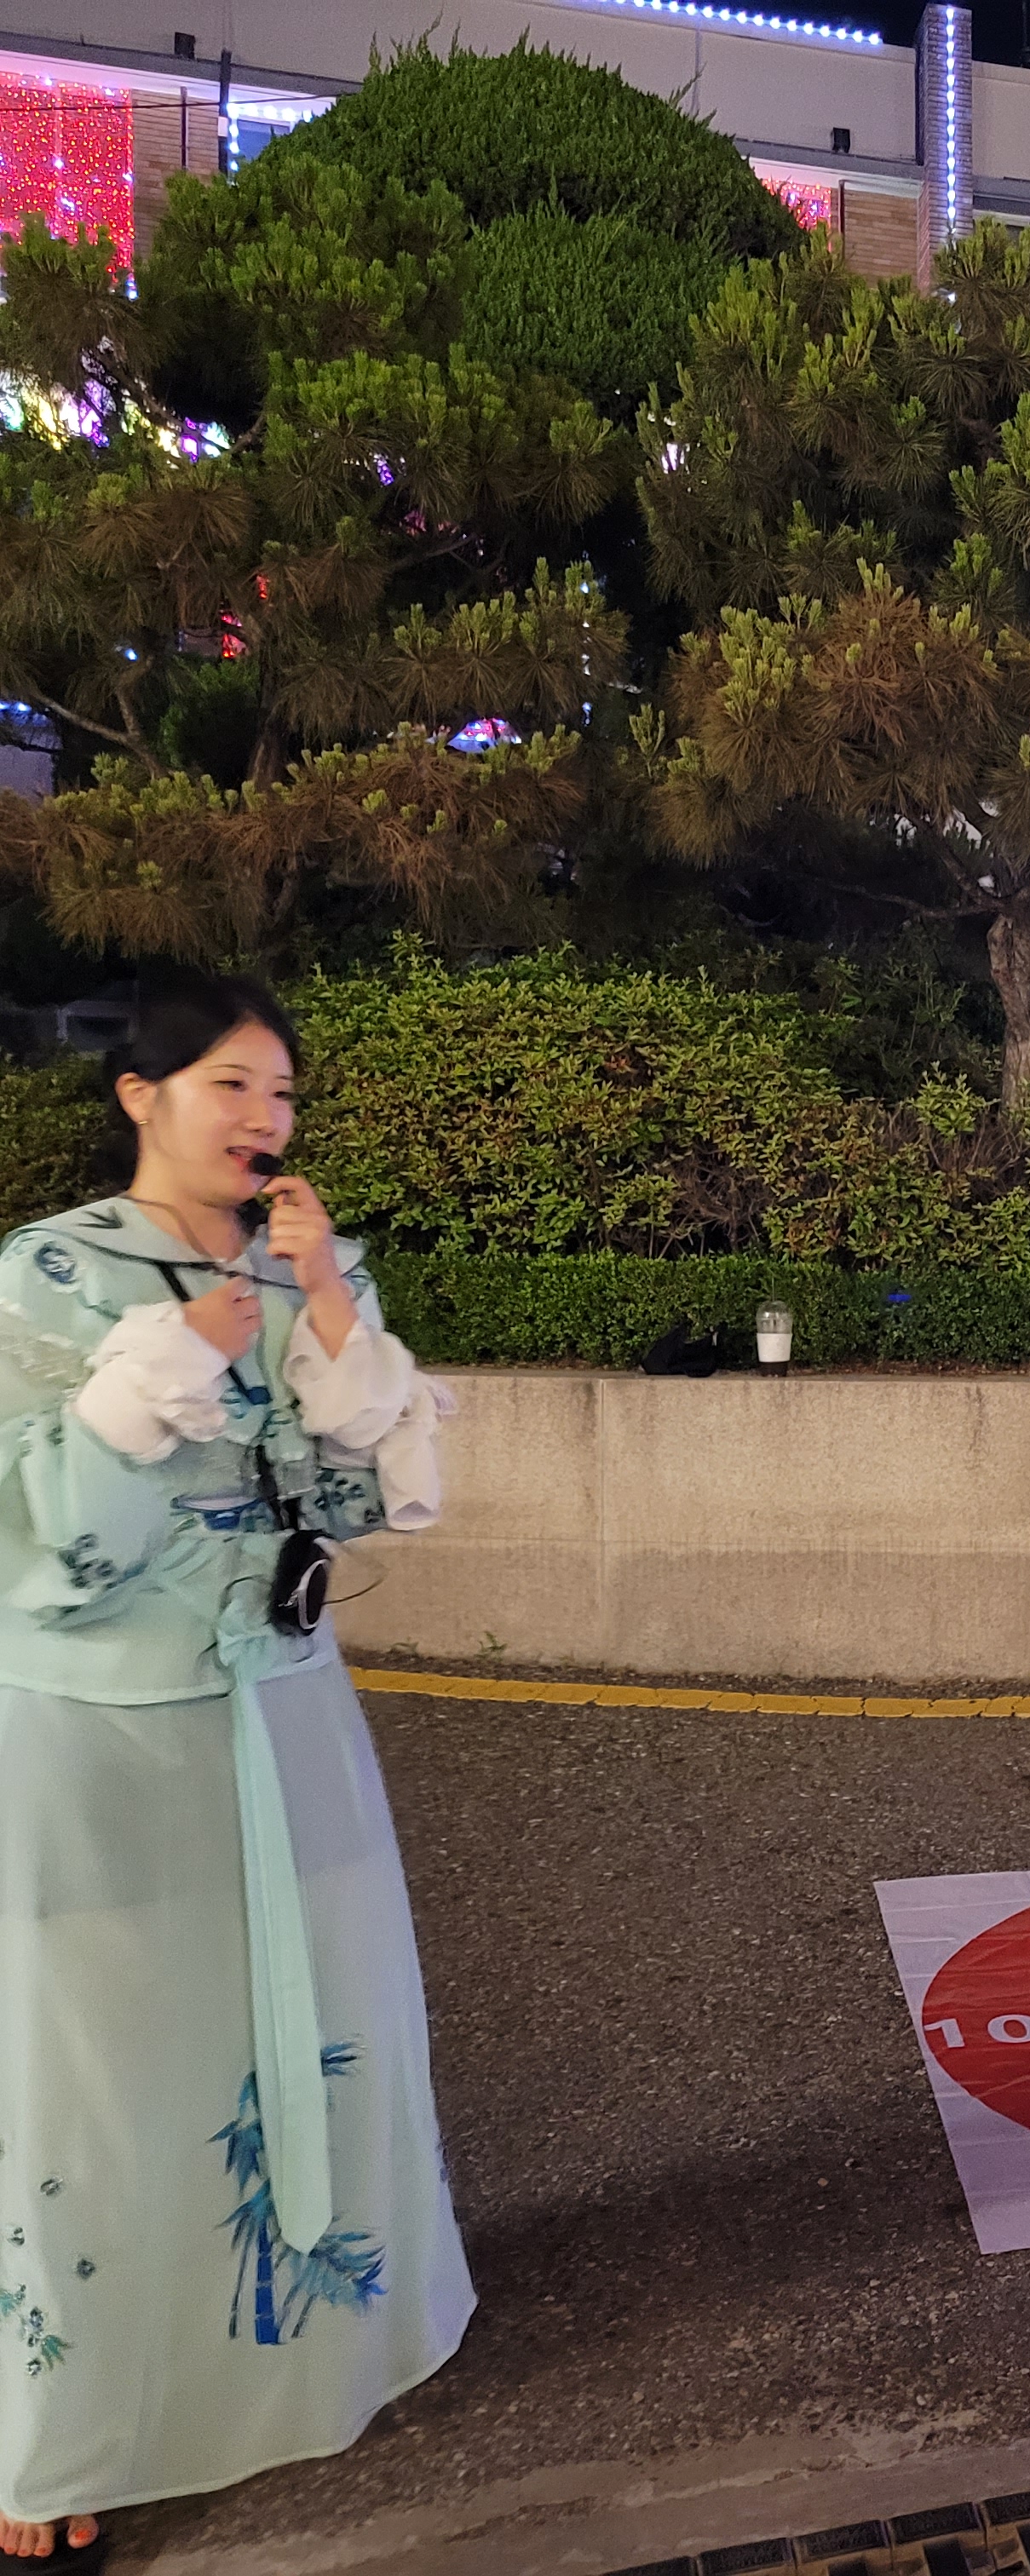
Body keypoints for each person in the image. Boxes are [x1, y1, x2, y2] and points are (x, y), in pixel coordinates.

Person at [0, 971, 471, 2563]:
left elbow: (370, 1505)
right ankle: (63, 2435)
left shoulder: (308, 1266)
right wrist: (166, 1365)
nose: (266, 1120)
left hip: (286, 1705)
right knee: (99, 2069)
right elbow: (50, 1543)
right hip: (101, 1732)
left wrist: (329, 1308)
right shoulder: (49, 1272)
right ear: (139, 1095)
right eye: (231, 1085)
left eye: (282, 1094)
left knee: (330, 2014)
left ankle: (316, 2347)